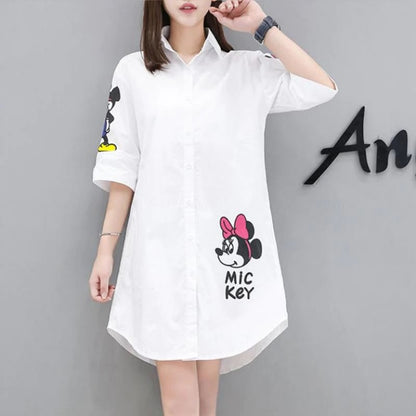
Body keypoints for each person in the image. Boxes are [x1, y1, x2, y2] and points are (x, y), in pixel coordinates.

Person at [88, 0, 339, 415]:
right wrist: (105, 250)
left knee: (205, 406)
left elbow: (321, 86)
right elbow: (122, 168)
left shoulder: (244, 70)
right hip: (160, 259)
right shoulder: (132, 72)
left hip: (220, 263)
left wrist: (260, 25)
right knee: (181, 404)